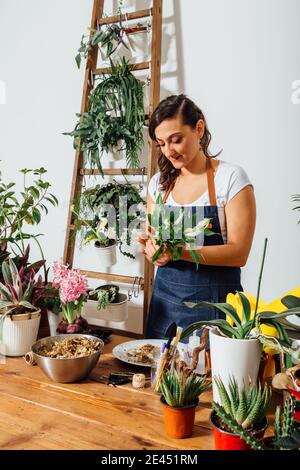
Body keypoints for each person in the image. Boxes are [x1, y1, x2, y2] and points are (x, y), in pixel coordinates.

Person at [139, 94, 256, 339]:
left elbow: (239, 253)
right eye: (161, 143)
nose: (168, 151)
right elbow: (154, 240)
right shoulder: (158, 185)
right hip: (165, 309)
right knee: (160, 376)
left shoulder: (230, 179)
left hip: (215, 311)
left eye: (176, 140)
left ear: (199, 129)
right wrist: (153, 251)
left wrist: (178, 252)